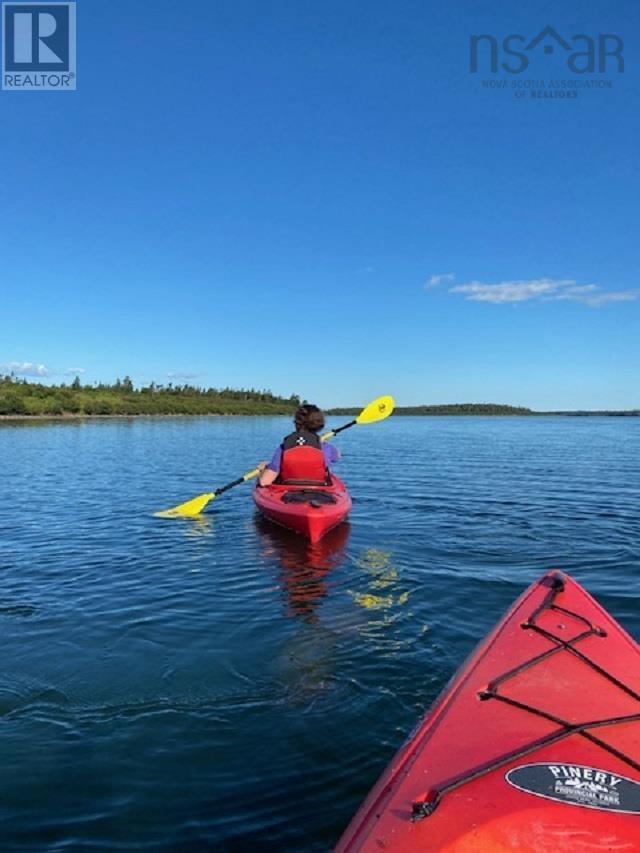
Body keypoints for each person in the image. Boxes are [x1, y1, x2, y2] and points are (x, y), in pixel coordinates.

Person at [258, 404, 340, 487]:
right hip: (320, 491)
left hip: (288, 491)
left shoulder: (284, 447)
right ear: (319, 424)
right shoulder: (327, 448)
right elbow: (337, 456)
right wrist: (321, 443)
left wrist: (264, 469)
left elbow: (265, 482)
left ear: (297, 423)